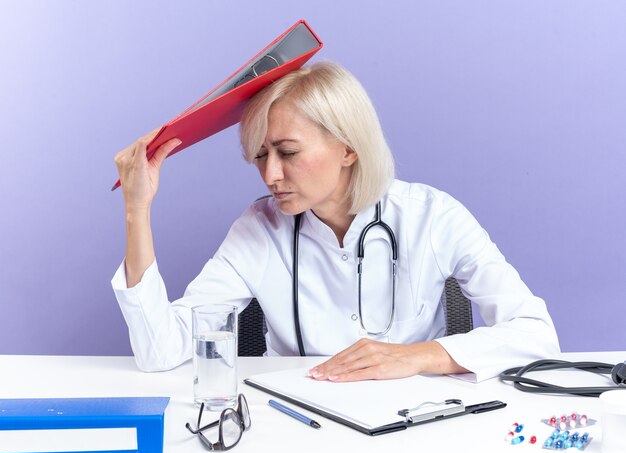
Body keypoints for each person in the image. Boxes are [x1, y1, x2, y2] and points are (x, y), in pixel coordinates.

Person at [112, 61, 560, 383]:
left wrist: (420, 357)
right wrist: (137, 210)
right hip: (297, 421)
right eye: (261, 156)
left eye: (287, 153)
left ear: (348, 148)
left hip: (414, 419)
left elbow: (537, 334)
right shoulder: (258, 229)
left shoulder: (434, 216)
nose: (270, 175)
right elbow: (161, 352)